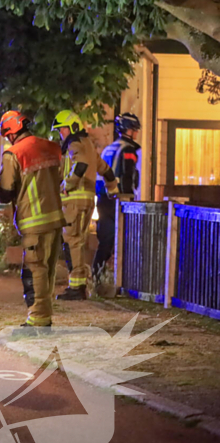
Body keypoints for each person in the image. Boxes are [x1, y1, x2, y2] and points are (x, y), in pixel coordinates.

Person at [0, 110, 65, 331]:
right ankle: (43, 316)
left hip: (33, 222)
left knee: (35, 270)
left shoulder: (14, 154)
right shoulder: (52, 147)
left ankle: (38, 320)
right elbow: (61, 177)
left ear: (11, 132)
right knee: (48, 270)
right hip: (56, 218)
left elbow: (5, 191)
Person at [52, 110, 118, 300]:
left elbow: (80, 165)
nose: (61, 133)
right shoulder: (88, 146)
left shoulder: (75, 144)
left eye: (62, 129)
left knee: (71, 241)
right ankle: (79, 285)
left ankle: (76, 287)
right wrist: (112, 189)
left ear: (72, 127)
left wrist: (67, 185)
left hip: (74, 201)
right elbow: (106, 169)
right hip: (88, 201)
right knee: (78, 241)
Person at [91, 113, 141, 292]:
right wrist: (131, 198)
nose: (136, 133)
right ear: (130, 130)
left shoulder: (109, 148)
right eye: (135, 130)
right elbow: (128, 177)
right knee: (123, 240)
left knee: (106, 241)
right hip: (120, 200)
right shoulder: (129, 150)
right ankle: (121, 282)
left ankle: (96, 277)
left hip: (103, 199)